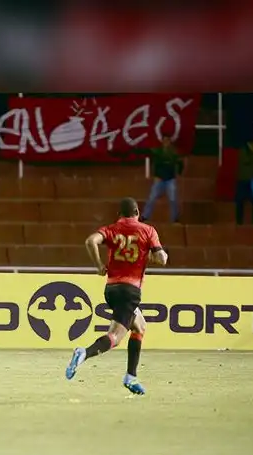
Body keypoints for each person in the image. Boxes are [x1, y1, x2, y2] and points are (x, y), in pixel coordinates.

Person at [65, 198, 167, 395]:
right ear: (137, 212)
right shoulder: (148, 231)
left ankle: (131, 376)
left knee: (139, 326)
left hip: (112, 289)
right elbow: (162, 259)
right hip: (130, 291)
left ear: (119, 214)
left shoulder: (111, 229)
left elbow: (90, 241)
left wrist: (98, 266)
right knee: (115, 337)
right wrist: (154, 255)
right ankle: (84, 353)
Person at [139, 134, 185, 223]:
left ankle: (174, 218)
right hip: (159, 179)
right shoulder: (158, 151)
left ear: (170, 142)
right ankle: (145, 216)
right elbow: (155, 164)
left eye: (168, 141)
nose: (166, 142)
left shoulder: (173, 152)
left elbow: (180, 163)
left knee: (173, 199)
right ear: (162, 141)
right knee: (151, 198)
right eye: (164, 140)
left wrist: (179, 173)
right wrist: (155, 176)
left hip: (170, 179)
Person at [235, 139, 253, 225]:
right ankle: (239, 223)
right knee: (239, 203)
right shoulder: (243, 152)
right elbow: (247, 161)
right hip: (243, 181)